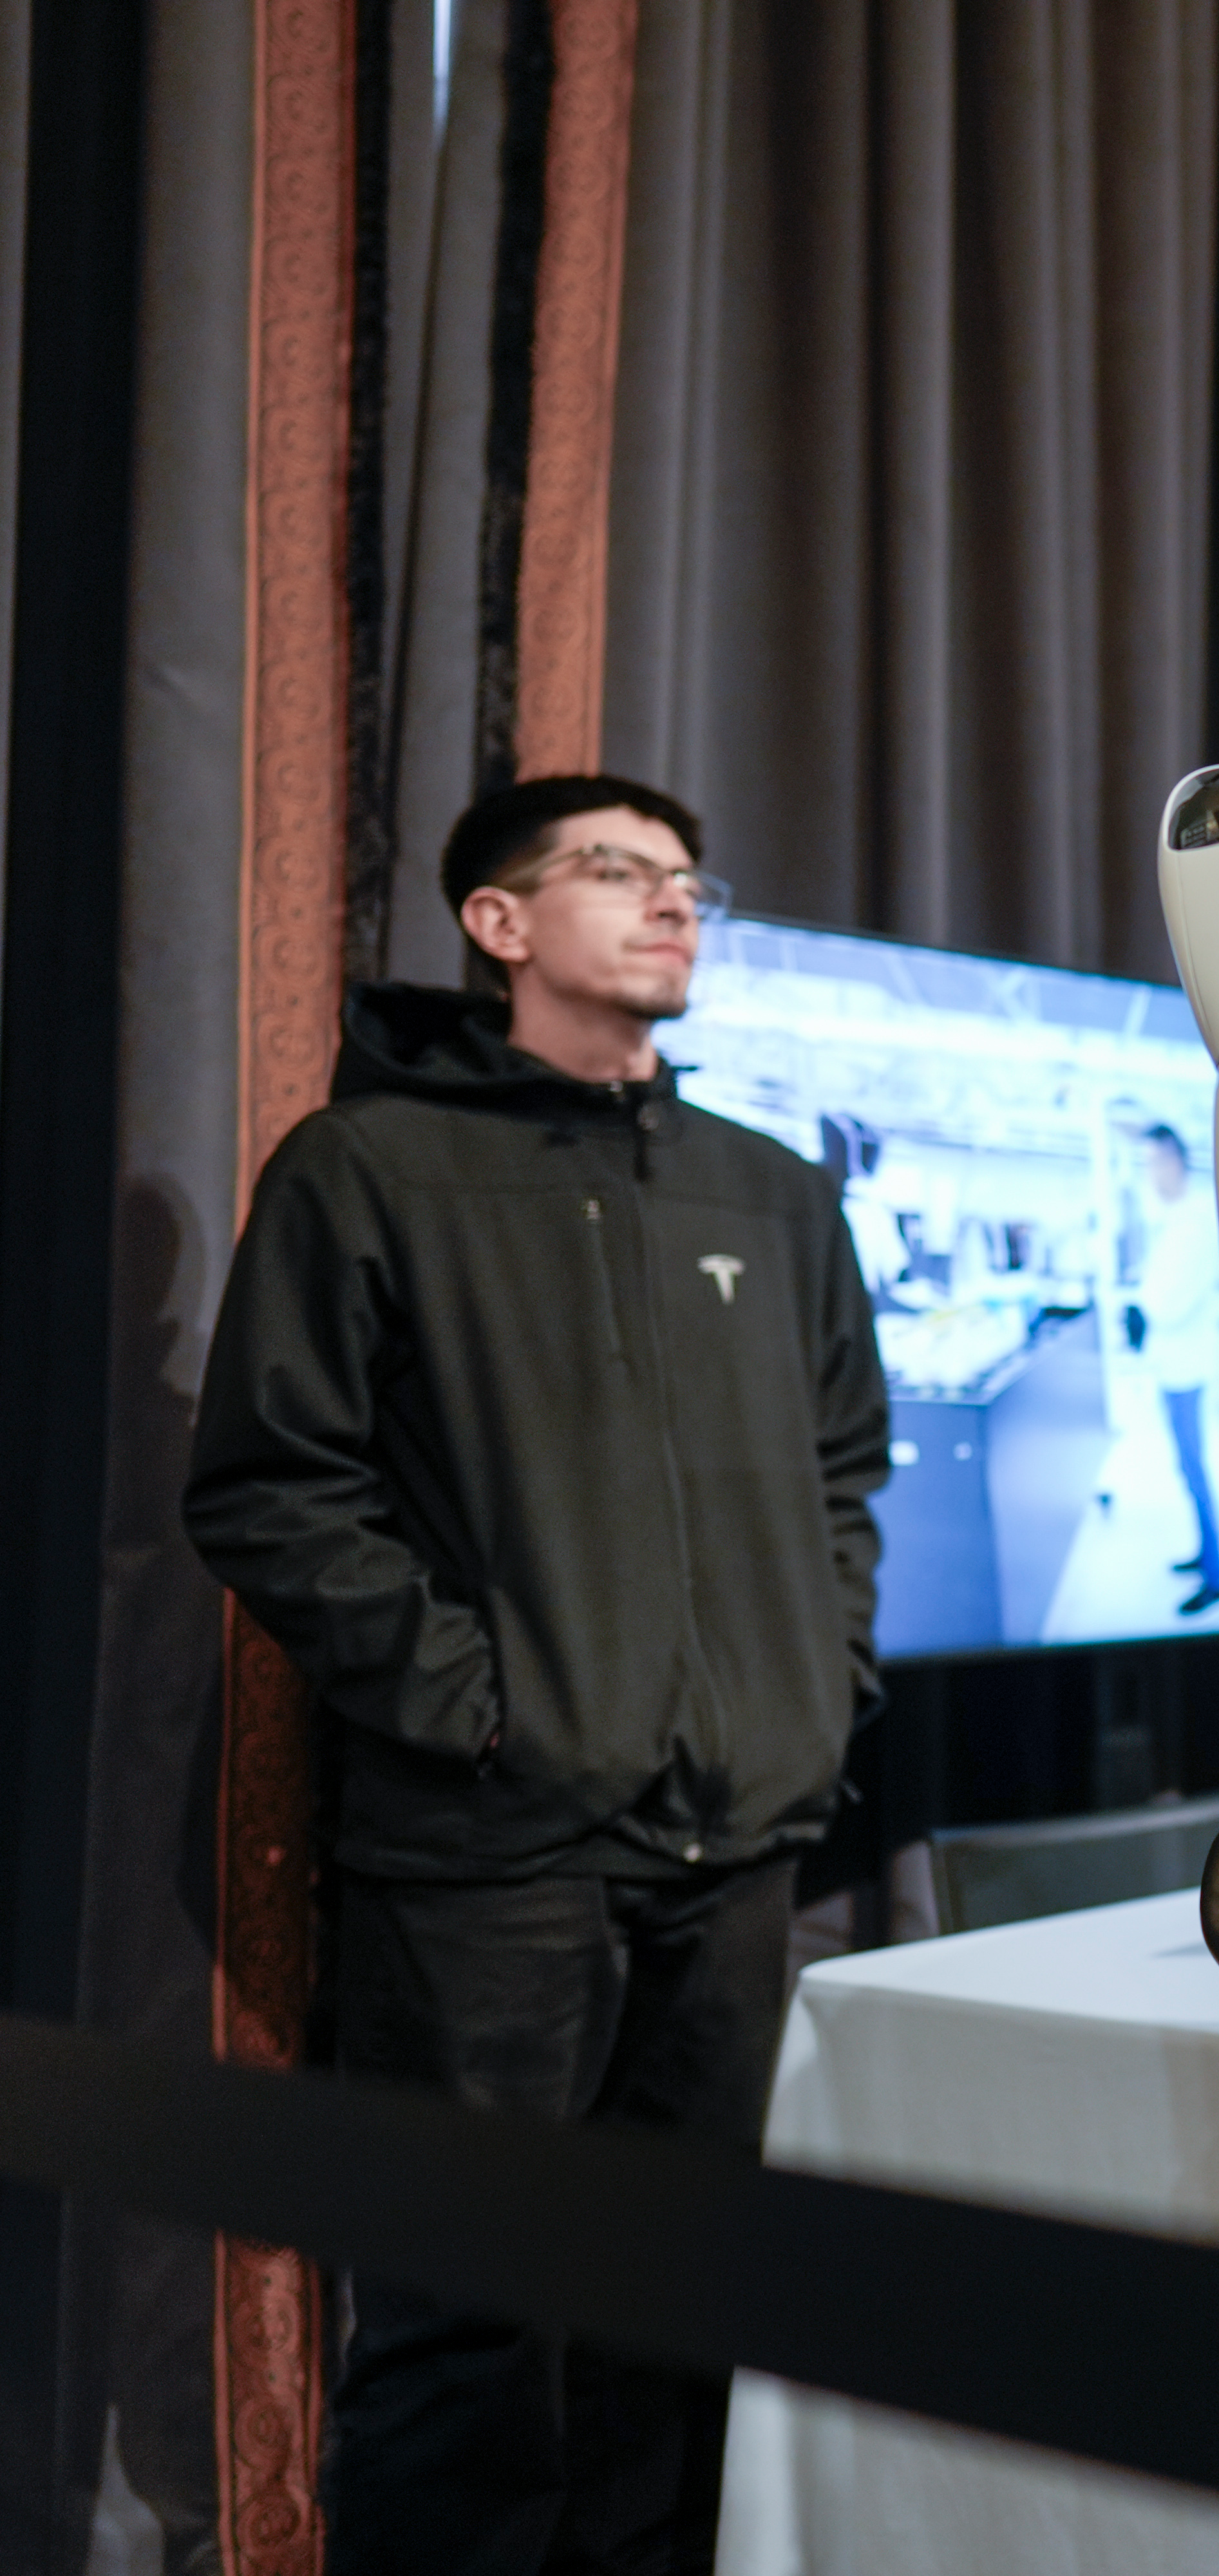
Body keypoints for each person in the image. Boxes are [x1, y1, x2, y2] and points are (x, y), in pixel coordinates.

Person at [185, 775, 889, 2575]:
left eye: (686, 879)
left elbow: (841, 1479)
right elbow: (274, 1488)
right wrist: (476, 1708)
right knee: (466, 2328)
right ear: (498, 926)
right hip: (492, 1863)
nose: (673, 906)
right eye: (616, 873)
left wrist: (818, 1689)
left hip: (734, 1856)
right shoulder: (371, 1167)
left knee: (681, 2316)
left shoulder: (774, 1194)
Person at [1124, 1120, 1219, 1615]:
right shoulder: (1176, 1217)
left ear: (1173, 1162)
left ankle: (1218, 1576)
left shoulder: (1194, 1221)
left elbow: (1169, 1300)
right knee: (1186, 1466)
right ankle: (1203, 1554)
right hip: (1175, 1362)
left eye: (1151, 1163)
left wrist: (1141, 1306)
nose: (1148, 1175)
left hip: (1185, 1365)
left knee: (1194, 1467)